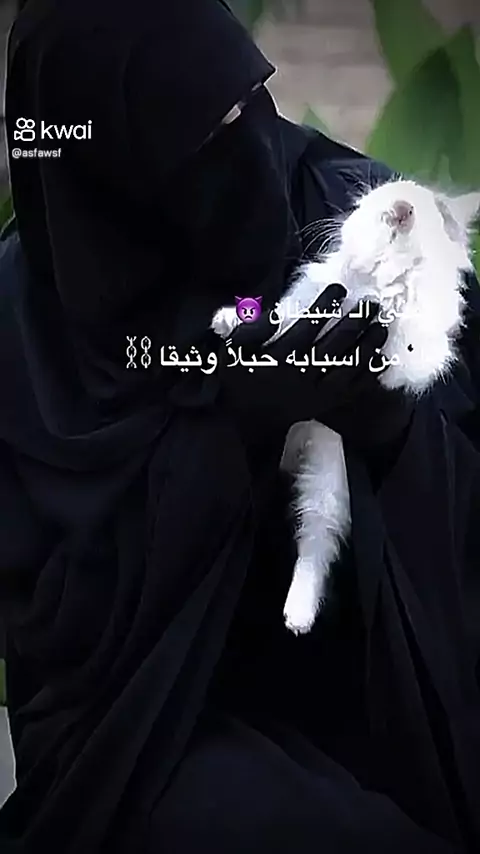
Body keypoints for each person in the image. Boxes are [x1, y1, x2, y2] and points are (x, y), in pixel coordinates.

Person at [0, 1, 479, 852]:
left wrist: (386, 421)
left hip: (371, 681)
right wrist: (230, 436)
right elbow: (55, 613)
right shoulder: (26, 323)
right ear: (102, 161)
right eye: (202, 132)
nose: (247, 144)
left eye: (248, 101)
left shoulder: (346, 214)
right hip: (140, 725)